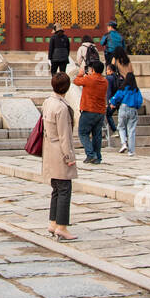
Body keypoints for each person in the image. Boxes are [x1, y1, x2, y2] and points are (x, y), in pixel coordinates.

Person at [42, 71, 78, 241]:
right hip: (60, 151)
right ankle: (62, 227)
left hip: (49, 149)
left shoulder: (47, 102)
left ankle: (53, 222)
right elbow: (65, 136)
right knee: (65, 189)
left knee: (56, 189)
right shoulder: (61, 107)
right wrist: (69, 157)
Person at [72, 57, 108, 164]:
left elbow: (76, 81)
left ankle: (90, 154)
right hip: (100, 111)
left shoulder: (89, 79)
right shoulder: (104, 81)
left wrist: (80, 73)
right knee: (97, 135)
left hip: (88, 109)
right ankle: (97, 157)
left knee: (83, 133)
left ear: (93, 70)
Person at [108, 67, 143, 156]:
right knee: (131, 130)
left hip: (123, 108)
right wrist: (136, 107)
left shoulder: (123, 88)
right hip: (133, 109)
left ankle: (123, 143)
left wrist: (112, 103)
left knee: (121, 127)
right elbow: (140, 101)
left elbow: (117, 97)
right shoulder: (136, 90)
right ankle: (131, 151)